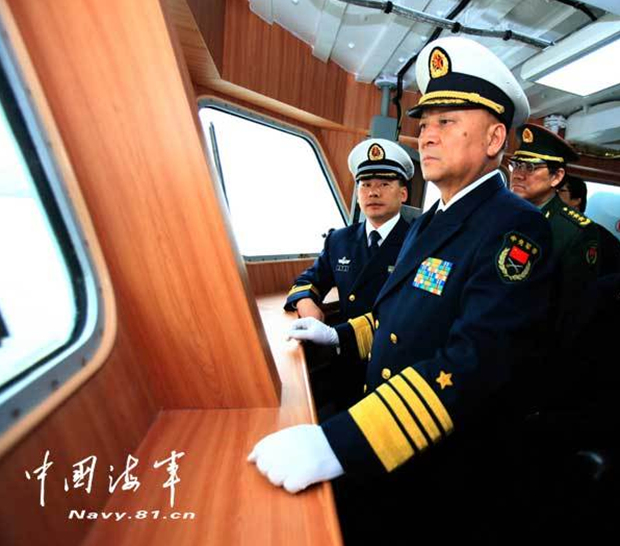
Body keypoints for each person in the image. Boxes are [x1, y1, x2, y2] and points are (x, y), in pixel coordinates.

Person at [249, 37, 553, 543]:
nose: (427, 136)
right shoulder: (430, 220)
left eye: (447, 121)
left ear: (495, 137)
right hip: (394, 434)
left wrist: (340, 442)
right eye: (425, 123)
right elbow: (401, 316)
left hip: (444, 464)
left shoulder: (515, 228)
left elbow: (476, 363)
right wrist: (339, 338)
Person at [284, 138, 413, 322]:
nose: (373, 192)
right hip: (343, 339)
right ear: (358, 196)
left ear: (403, 194)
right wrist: (307, 305)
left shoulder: (418, 241)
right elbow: (309, 281)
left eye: (384, 184)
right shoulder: (339, 240)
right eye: (365, 185)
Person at [509, 124, 600, 335]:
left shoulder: (575, 231)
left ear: (556, 177)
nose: (519, 175)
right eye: (517, 165)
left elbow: (573, 310)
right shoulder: (501, 214)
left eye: (530, 167)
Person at [561, 174, 620, 276]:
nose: (553, 196)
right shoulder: (551, 226)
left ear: (576, 200)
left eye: (561, 191)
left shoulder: (599, 235)